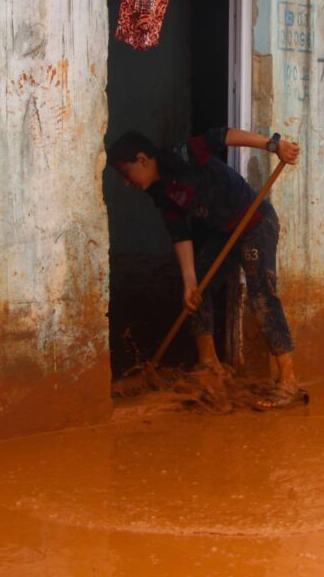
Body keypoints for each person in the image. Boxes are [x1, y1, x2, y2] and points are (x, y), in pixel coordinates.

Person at [106, 127, 306, 410]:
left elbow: (224, 136)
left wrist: (273, 145)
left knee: (261, 295)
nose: (127, 183)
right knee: (197, 289)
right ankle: (209, 367)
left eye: (125, 173)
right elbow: (180, 235)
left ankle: (289, 382)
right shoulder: (160, 192)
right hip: (222, 232)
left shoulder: (184, 154)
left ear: (142, 159)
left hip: (253, 223)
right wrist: (189, 282)